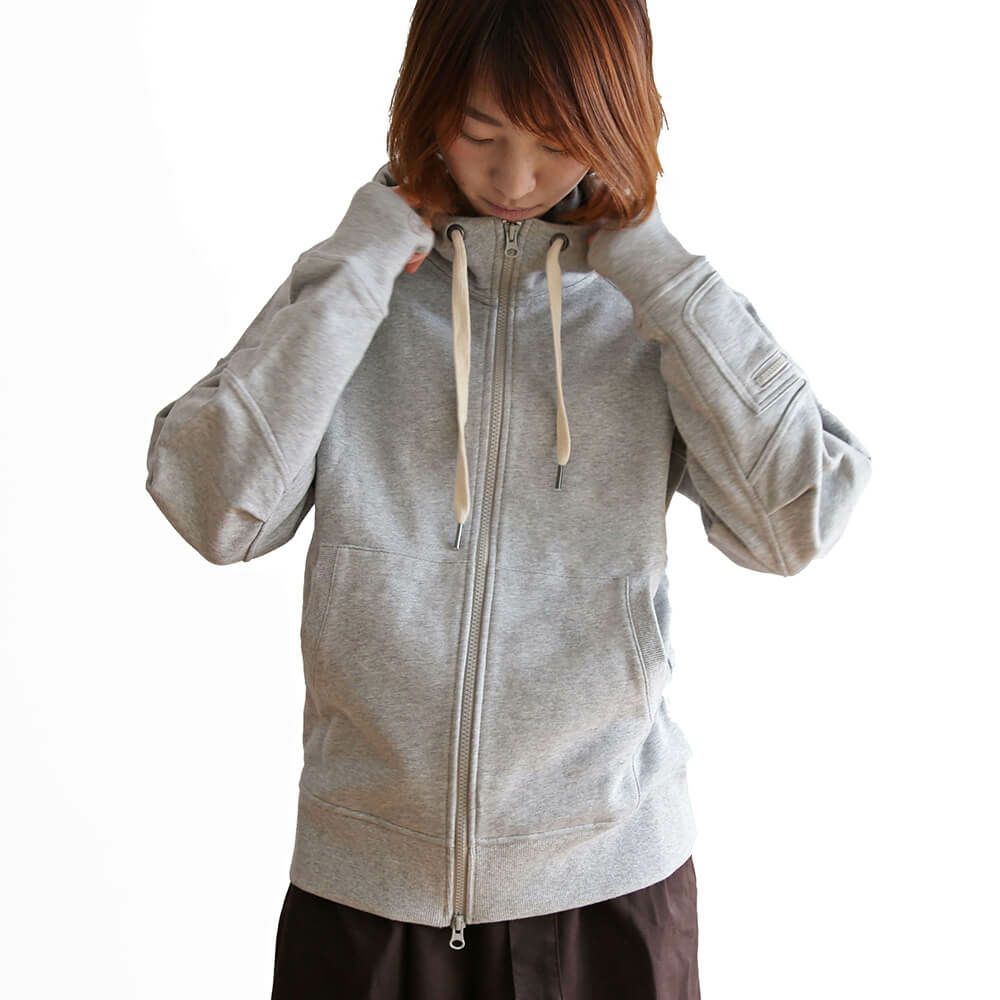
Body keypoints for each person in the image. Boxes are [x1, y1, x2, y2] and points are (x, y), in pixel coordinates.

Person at [144, 1, 873, 996]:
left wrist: (657, 269)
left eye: (557, 141)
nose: (516, 178)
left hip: (608, 891)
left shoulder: (651, 311)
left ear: (617, 119)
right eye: (480, 133)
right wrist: (359, 263)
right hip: (364, 892)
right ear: (425, 108)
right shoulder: (356, 297)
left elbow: (794, 521)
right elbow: (214, 506)